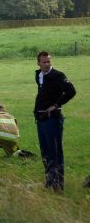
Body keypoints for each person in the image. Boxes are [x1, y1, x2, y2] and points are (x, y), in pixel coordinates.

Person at [34, 51, 76, 192]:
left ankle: (58, 186)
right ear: (38, 63)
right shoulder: (39, 75)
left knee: (55, 153)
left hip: (52, 119)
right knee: (45, 152)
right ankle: (50, 181)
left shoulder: (58, 76)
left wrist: (56, 105)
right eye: (44, 62)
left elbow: (71, 91)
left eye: (48, 61)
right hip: (40, 119)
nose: (47, 64)